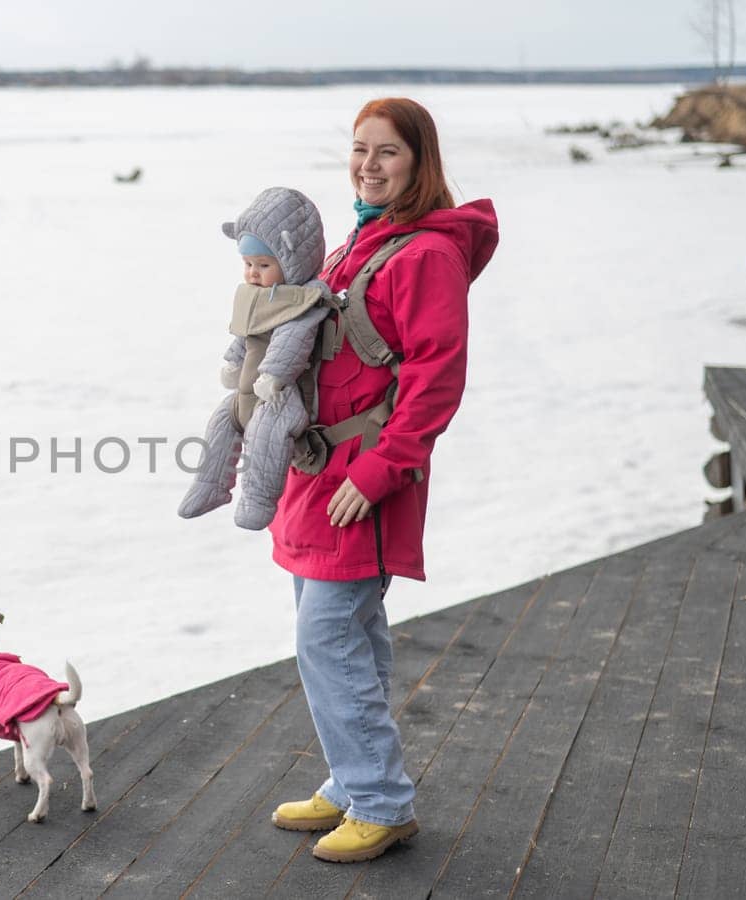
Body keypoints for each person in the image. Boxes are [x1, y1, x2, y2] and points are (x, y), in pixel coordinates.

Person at [267, 97, 499, 863]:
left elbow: (434, 383)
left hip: (362, 481)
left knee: (327, 638)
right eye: (360, 150)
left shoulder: (426, 254)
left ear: (419, 162)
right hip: (317, 474)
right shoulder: (364, 239)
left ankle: (383, 801)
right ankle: (350, 779)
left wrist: (379, 472)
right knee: (346, 634)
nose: (369, 165)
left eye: (387, 153)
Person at [178, 187, 330, 530]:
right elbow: (246, 336)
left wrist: (275, 375)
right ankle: (210, 485)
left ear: (291, 260)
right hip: (247, 392)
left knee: (266, 435)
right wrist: (233, 362)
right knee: (221, 422)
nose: (253, 274)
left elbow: (292, 341)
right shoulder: (258, 298)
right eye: (247, 265)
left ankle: (258, 500)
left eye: (263, 265)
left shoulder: (302, 302)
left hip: (280, 396)